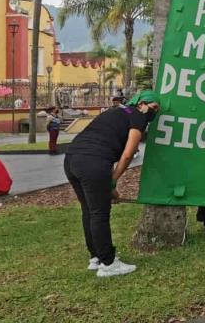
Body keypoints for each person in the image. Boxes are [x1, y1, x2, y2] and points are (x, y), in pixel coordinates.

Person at [64, 90, 160, 277]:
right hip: (92, 162)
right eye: (153, 107)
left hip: (71, 159)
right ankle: (108, 264)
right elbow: (127, 155)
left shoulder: (114, 111)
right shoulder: (138, 117)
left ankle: (96, 258)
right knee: (99, 213)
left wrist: (107, 184)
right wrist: (112, 183)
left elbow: (101, 143)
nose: (153, 113)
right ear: (140, 103)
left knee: (89, 210)